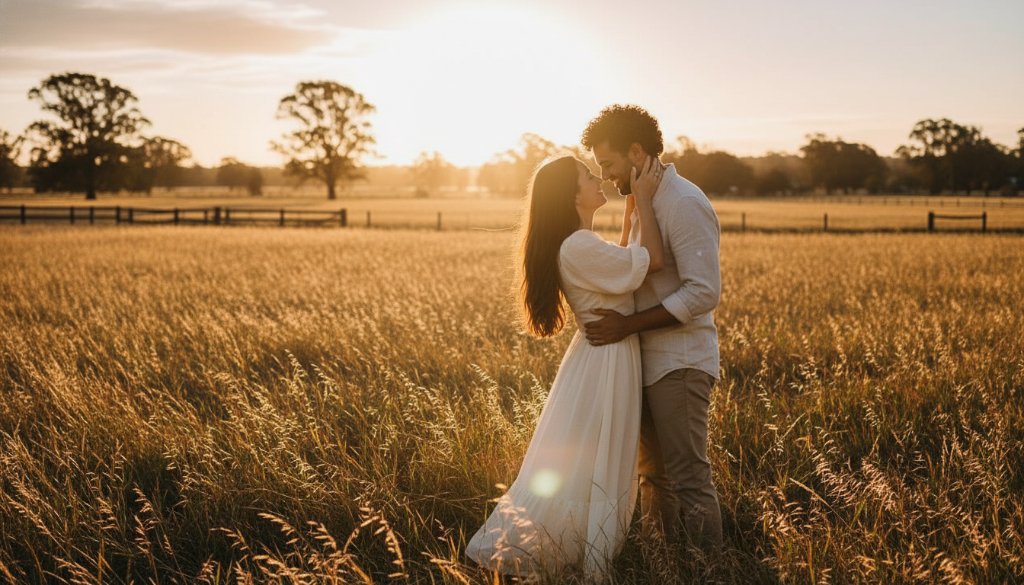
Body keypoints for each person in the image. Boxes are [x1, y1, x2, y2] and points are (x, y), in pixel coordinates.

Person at [466, 154, 665, 579]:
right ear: (572, 195)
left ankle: (577, 548)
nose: (599, 180)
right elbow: (650, 264)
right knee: (595, 459)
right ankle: (567, 553)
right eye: (588, 176)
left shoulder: (581, 242)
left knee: (595, 457)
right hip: (605, 360)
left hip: (605, 355)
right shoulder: (578, 246)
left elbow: (624, 264)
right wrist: (644, 201)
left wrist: (630, 219)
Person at [581, 104, 724, 551]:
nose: (603, 175)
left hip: (680, 363)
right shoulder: (643, 201)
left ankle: (712, 572)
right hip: (644, 361)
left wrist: (628, 325)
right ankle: (664, 566)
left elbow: (704, 292)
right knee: (653, 477)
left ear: (636, 151)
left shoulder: (682, 202)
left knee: (688, 478)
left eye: (608, 163)